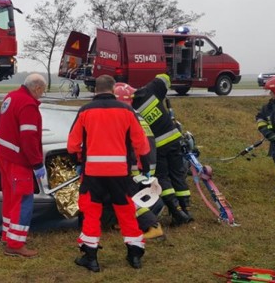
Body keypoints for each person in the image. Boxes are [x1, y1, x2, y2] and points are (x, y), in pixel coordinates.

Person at [68, 75, 151, 271]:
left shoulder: (85, 111)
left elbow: (73, 144)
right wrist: (144, 166)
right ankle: (134, 255)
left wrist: (77, 160)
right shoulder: (127, 110)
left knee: (91, 212)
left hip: (93, 172)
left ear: (95, 90)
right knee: (126, 211)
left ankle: (91, 257)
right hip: (120, 172)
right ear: (113, 89)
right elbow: (141, 142)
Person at [0, 73, 47, 258]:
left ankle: (8, 236)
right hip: (18, 160)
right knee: (23, 200)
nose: (42, 95)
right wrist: (37, 163)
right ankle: (15, 245)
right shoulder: (28, 105)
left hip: (4, 155)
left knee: (10, 197)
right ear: (37, 88)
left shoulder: (11, 96)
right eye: (43, 91)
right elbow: (28, 138)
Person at [131, 74, 193, 226]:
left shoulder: (131, 110)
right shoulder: (149, 91)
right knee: (178, 175)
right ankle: (186, 209)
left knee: (163, 178)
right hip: (174, 139)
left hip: (157, 147)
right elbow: (164, 78)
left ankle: (177, 212)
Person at [112, 82, 164, 240]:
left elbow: (131, 146)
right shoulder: (137, 115)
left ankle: (153, 226)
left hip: (136, 167)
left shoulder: (125, 117)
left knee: (128, 197)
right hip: (147, 166)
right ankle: (124, 220)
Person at [256, 75, 275, 209]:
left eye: (271, 91)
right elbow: (260, 119)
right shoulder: (269, 107)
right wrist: (269, 134)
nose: (270, 94)